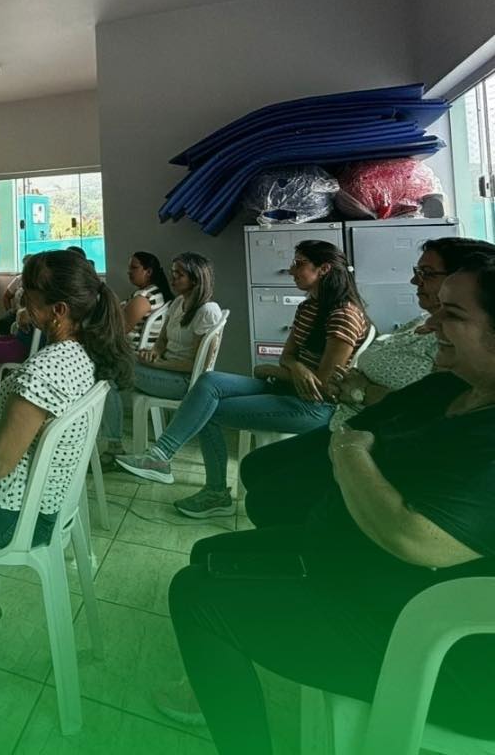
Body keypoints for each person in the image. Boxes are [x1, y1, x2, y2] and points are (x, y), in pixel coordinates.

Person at [163, 252, 495, 754]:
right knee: (205, 553)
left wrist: (349, 453)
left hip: (422, 639)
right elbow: (359, 414)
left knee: (195, 595)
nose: (431, 324)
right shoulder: (451, 387)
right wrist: (350, 439)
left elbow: (411, 535)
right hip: (358, 565)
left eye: (452, 315)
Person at [0, 250, 135, 662]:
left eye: (29, 299)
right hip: (49, 504)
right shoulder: (86, 355)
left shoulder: (45, 370)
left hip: (12, 515)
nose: (22, 307)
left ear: (58, 310)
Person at [242, 236, 495, 529]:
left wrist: (358, 393)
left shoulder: (453, 362)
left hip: (346, 426)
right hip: (346, 422)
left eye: (426, 274)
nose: (414, 281)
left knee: (265, 498)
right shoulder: (419, 324)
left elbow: (415, 527)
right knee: (253, 465)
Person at [118, 240, 370, 519]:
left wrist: (272, 370)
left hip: (313, 406)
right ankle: (160, 457)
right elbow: (287, 357)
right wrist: (295, 368)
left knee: (208, 413)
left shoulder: (344, 315)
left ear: (324, 269)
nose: (290, 270)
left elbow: (319, 386)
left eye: (299, 264)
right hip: (286, 386)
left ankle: (215, 493)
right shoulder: (308, 307)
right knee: (209, 381)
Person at [99, 253, 220, 472]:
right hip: (165, 371)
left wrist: (158, 365)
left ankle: (113, 447)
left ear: (195, 279)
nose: (173, 279)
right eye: (173, 273)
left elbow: (199, 365)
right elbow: (162, 341)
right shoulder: (179, 303)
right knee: (110, 367)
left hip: (184, 382)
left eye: (179, 275)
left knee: (108, 372)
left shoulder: (207, 311)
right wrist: (153, 353)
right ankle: (113, 445)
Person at [98, 251, 174, 464]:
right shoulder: (157, 293)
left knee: (103, 379)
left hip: (132, 357)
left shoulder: (143, 298)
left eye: (134, 268)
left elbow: (118, 330)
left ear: (148, 271)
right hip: (136, 356)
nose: (129, 272)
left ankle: (113, 446)